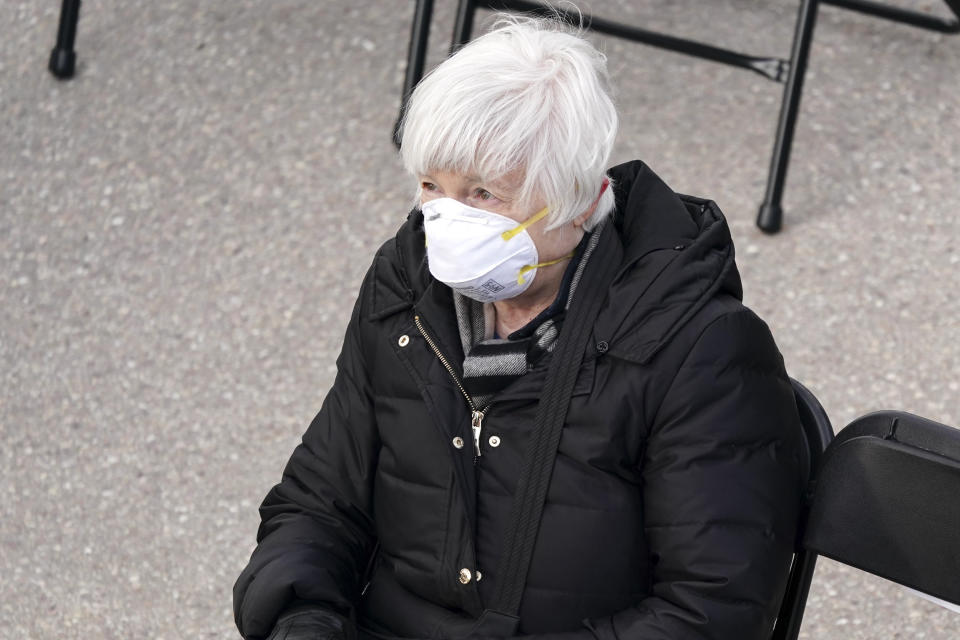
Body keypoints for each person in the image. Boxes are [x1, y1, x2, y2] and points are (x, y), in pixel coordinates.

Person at [233, 14, 806, 640]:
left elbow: (711, 613)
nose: (448, 220)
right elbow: (320, 499)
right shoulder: (404, 288)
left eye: (482, 194)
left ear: (581, 197)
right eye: (432, 185)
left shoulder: (700, 349)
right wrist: (301, 621)